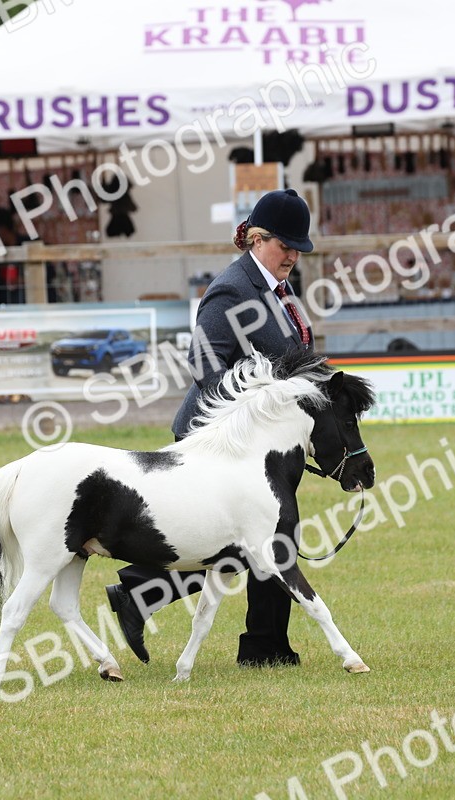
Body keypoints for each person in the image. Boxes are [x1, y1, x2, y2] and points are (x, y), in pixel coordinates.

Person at [106, 188, 315, 668]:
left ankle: (260, 644)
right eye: (286, 247)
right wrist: (256, 409)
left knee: (266, 539)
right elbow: (204, 361)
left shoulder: (277, 289)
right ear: (257, 239)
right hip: (222, 439)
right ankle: (260, 645)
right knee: (255, 540)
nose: (292, 257)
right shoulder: (233, 288)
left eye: (298, 250)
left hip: (266, 445)